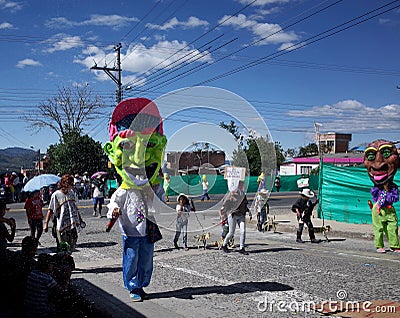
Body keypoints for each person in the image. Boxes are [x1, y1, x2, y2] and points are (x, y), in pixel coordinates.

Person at [104, 97, 167, 302]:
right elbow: (114, 201)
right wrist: (113, 210)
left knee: (147, 259)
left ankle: (142, 284)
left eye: (149, 145)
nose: (140, 157)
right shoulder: (124, 189)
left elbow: (162, 201)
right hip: (130, 229)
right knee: (131, 257)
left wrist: (157, 202)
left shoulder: (155, 186)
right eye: (129, 146)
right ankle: (133, 286)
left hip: (149, 228)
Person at [363, 139, 400, 253]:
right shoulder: (376, 188)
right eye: (370, 156)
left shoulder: (393, 187)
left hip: (389, 209)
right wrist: (381, 198)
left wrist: (388, 191)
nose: (378, 162)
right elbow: (375, 195)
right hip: (378, 209)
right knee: (378, 228)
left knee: (392, 227)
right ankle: (379, 246)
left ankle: (394, 245)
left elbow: (395, 197)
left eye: (386, 153)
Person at [44, 174, 84, 252]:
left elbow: (74, 208)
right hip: (61, 225)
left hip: (72, 225)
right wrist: (46, 224)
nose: (73, 186)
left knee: (72, 245)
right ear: (65, 184)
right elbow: (50, 210)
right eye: (71, 184)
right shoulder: (56, 195)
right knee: (63, 248)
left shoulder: (71, 193)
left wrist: (80, 219)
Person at [24, 253, 65, 318]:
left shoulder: (32, 273)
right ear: (48, 265)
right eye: (52, 264)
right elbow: (61, 291)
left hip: (28, 309)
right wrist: (67, 278)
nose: (53, 266)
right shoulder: (47, 278)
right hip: (40, 311)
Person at [220, 181, 252, 255]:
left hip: (241, 215)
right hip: (233, 215)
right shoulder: (231, 194)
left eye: (242, 185)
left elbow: (245, 204)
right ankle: (224, 245)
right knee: (231, 232)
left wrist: (248, 211)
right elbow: (224, 204)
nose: (242, 186)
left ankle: (242, 248)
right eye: (241, 185)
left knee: (243, 231)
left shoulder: (243, 194)